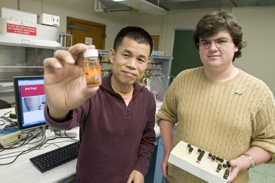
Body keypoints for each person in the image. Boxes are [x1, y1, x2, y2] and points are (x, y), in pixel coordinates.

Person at [156, 11, 275, 183]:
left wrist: (243, 162)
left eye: (221, 41)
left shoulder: (258, 91)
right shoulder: (183, 79)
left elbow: (269, 142)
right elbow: (166, 115)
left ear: (236, 45)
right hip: (176, 178)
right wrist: (168, 152)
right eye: (206, 42)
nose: (212, 48)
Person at [43, 26, 156, 183]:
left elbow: (148, 139)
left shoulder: (148, 98)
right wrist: (58, 107)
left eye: (140, 59)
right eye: (126, 55)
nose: (132, 64)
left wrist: (140, 169)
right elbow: (66, 121)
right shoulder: (91, 89)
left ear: (147, 65)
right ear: (112, 55)